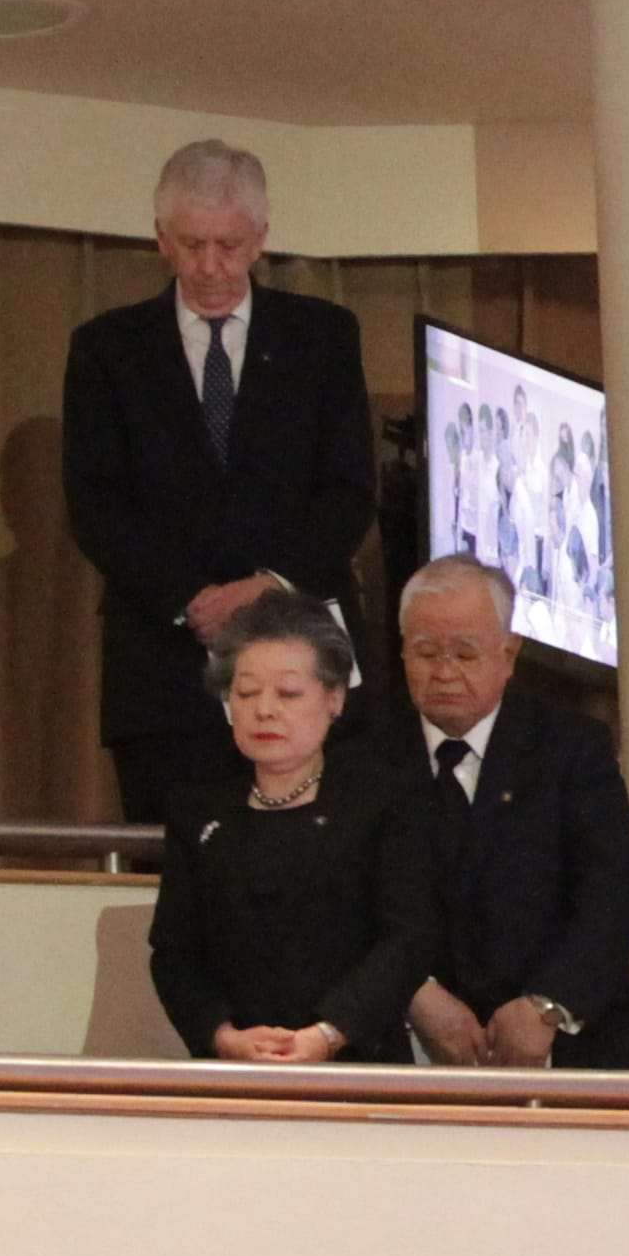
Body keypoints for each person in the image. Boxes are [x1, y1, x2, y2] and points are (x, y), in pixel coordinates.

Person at [61, 140, 378, 824]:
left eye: (229, 245)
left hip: (302, 655)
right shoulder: (108, 348)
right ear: (160, 240)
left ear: (261, 238)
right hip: (165, 673)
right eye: (192, 244)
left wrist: (267, 586)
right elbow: (95, 503)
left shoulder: (321, 338)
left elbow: (348, 490)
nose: (211, 266)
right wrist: (190, 598)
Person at [389, 554, 629, 1072]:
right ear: (402, 652)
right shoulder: (366, 752)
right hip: (412, 1045)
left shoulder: (570, 748)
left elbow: (613, 890)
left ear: (508, 655)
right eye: (425, 652)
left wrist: (548, 1005)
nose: (444, 672)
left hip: (574, 1040)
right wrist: (414, 992)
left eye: (465, 654)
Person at [145, 593, 436, 1064]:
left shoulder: (383, 802)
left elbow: (409, 939)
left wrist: (327, 1034)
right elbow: (173, 954)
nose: (265, 710)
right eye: (246, 692)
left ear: (334, 699)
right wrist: (223, 1037)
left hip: (357, 1066)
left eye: (288, 693)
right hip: (235, 1071)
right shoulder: (196, 811)